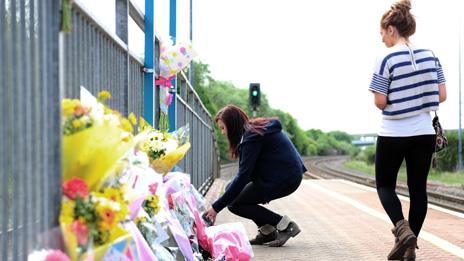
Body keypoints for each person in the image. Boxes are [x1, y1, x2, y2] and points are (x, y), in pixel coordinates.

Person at [368, 0, 447, 260]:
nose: (381, 39)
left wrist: (397, 100)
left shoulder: (386, 57)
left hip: (393, 133)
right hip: (424, 132)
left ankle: (402, 231)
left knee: (385, 186)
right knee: (418, 190)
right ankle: (409, 246)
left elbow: (380, 101)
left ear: (391, 29)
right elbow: (442, 95)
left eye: (382, 33)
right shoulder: (431, 54)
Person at [204, 105, 307, 247]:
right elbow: (244, 174)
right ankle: (267, 233)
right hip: (282, 175)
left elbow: (243, 176)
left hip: (284, 179)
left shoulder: (251, 138)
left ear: (232, 125)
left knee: (234, 203)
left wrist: (216, 208)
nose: (222, 132)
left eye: (223, 128)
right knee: (230, 190)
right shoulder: (253, 131)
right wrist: (224, 197)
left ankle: (286, 226)